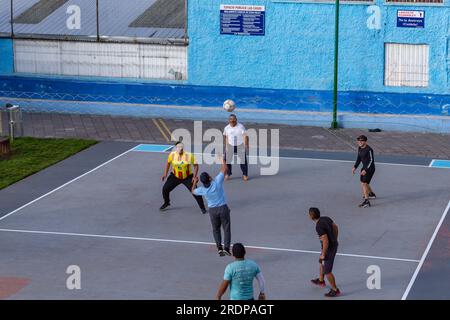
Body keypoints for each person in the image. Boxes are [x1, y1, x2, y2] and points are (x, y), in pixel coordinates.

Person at [192, 156, 231, 256]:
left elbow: (193, 191)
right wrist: (222, 159)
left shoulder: (202, 190)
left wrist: (194, 182)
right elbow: (225, 168)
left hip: (212, 211)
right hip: (223, 208)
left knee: (216, 229)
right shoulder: (217, 181)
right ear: (209, 178)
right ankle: (226, 248)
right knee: (226, 228)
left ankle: (219, 248)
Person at [160, 141, 206, 214]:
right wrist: (165, 174)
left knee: (195, 192)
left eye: (181, 147)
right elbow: (168, 163)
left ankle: (202, 207)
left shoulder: (189, 156)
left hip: (187, 177)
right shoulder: (172, 155)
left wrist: (194, 176)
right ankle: (167, 203)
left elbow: (196, 165)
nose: (180, 148)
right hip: (175, 176)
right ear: (175, 148)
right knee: (165, 189)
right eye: (178, 147)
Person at [309, 208, 341, 297]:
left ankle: (335, 290)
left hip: (329, 249)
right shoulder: (326, 218)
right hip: (331, 245)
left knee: (327, 271)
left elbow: (325, 240)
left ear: (311, 216)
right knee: (321, 263)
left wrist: (323, 253)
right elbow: (335, 226)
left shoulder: (318, 226)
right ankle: (321, 280)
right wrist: (335, 238)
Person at [352, 135, 376, 208]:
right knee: (365, 183)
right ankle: (371, 194)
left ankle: (366, 201)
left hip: (370, 168)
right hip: (364, 168)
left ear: (365, 141)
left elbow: (371, 161)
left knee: (364, 184)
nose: (359, 142)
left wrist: (366, 170)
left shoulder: (369, 150)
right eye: (358, 140)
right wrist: (355, 166)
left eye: (361, 141)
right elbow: (359, 158)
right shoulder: (359, 148)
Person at [223, 114, 249, 181]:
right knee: (227, 161)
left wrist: (246, 145)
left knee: (243, 161)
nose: (232, 120)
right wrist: (226, 146)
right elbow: (226, 137)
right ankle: (228, 174)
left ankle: (245, 174)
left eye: (234, 119)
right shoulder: (226, 128)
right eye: (231, 119)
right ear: (229, 120)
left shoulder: (241, 126)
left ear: (236, 119)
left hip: (240, 145)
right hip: (230, 145)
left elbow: (245, 136)